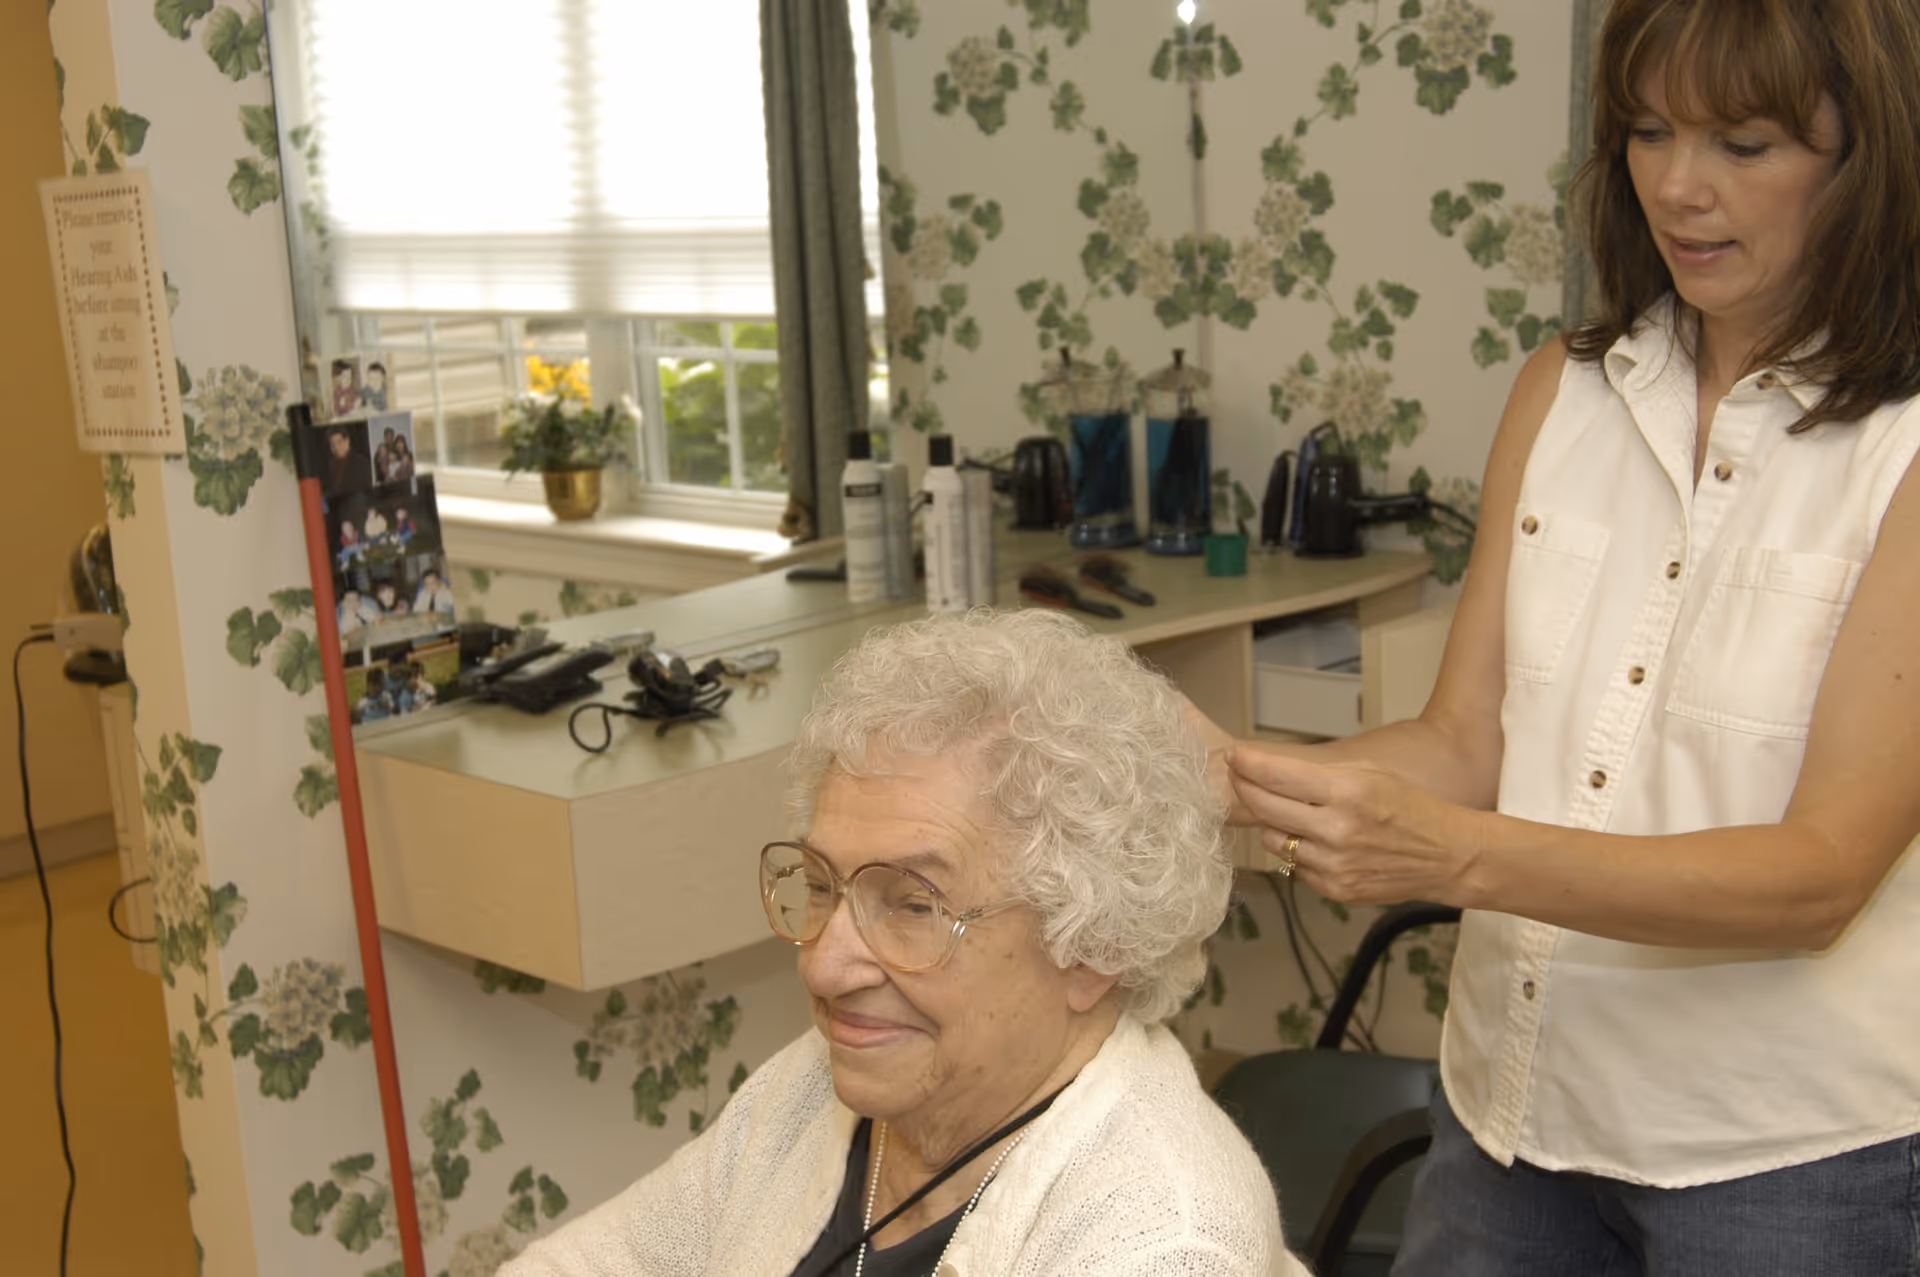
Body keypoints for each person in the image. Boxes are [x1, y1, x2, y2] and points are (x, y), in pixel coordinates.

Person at [1215, 2, 1920, 1272]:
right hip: (1508, 1119)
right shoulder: (1564, 388)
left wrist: (1457, 855)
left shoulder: (1902, 449)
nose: (1679, 187)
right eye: (1648, 132)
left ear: (1870, 155)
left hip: (1786, 1160)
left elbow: (1821, 873)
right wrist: (1216, 773)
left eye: (1744, 145)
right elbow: (1464, 739)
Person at [505, 610, 1302, 1276]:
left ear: (1092, 944)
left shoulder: (1167, 1241)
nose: (823, 963)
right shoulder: (815, 1091)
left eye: (913, 906)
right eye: (820, 885)